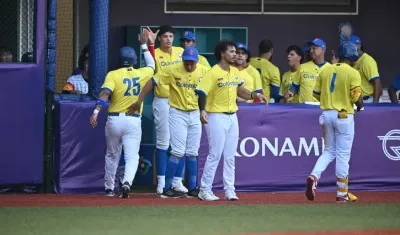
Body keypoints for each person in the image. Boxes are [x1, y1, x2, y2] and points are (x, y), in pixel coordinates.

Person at [129, 47, 208, 198]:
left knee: (193, 152)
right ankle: (166, 188)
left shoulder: (204, 71)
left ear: (197, 61)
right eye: (186, 62)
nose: (189, 66)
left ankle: (192, 188)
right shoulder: (172, 69)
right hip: (177, 112)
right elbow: (152, 81)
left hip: (195, 112)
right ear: (182, 60)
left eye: (192, 63)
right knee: (178, 151)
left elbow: (209, 90)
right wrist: (139, 101)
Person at [195, 40, 268, 201]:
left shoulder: (235, 71)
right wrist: (202, 110)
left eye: (236, 51)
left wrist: (255, 95)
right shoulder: (213, 72)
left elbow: (240, 89)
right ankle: (205, 189)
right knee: (215, 153)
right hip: (216, 116)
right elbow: (201, 92)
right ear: (222, 53)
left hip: (232, 116)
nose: (235, 54)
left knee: (229, 156)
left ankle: (229, 190)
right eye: (231, 51)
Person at [89, 30, 155, 199]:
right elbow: (152, 65)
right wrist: (143, 44)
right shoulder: (142, 73)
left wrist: (96, 111)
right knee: (132, 156)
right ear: (134, 60)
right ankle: (126, 183)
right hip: (133, 120)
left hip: (114, 119)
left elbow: (104, 93)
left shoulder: (113, 74)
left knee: (112, 155)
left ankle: (109, 189)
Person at [306, 42, 363, 203]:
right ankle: (341, 193)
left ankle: (314, 176)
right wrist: (360, 104)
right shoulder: (352, 72)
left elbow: (316, 94)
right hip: (343, 115)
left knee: (329, 151)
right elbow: (356, 98)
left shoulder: (325, 69)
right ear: (351, 55)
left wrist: (330, 98)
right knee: (343, 155)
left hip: (326, 114)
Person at [151, 25, 187, 195]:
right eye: (165, 36)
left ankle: (177, 182)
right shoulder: (155, 53)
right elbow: (150, 66)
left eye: (171, 36)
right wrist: (149, 45)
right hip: (162, 101)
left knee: (180, 143)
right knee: (163, 143)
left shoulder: (181, 51)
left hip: (179, 101)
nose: (168, 39)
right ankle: (161, 182)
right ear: (159, 39)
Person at [285, 38, 331, 103]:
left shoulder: (331, 68)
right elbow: (294, 87)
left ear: (322, 49)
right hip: (304, 109)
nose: (311, 51)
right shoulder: (303, 67)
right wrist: (290, 93)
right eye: (310, 49)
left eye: (314, 48)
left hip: (322, 109)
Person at [349, 35, 382, 103]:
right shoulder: (351, 61)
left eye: (351, 45)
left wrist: (375, 104)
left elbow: (377, 82)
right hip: (357, 101)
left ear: (359, 45)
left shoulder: (366, 60)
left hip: (368, 100)